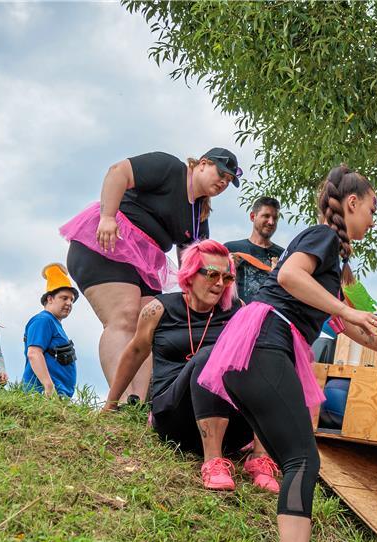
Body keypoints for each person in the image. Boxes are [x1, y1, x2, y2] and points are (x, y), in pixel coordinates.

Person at [199, 164, 377, 542]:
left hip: (258, 347)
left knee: (297, 458)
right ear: (351, 204)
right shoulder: (323, 237)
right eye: (372, 209)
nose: (374, 219)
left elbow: (337, 319)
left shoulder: (336, 259)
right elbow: (291, 277)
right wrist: (348, 312)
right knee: (303, 459)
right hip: (263, 343)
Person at [60, 147, 242, 402]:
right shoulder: (169, 168)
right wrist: (108, 217)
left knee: (150, 325)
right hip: (108, 243)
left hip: (145, 261)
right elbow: (118, 171)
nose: (223, 182)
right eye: (221, 173)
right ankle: (120, 400)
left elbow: (195, 259)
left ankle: (139, 403)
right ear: (202, 164)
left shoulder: (199, 214)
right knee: (123, 316)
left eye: (228, 180)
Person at [101, 240, 280, 493]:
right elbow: (135, 353)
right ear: (190, 274)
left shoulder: (235, 311)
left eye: (227, 277)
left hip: (230, 426)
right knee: (209, 357)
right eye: (212, 274)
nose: (220, 283)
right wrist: (110, 404)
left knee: (264, 356)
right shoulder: (159, 309)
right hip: (175, 419)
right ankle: (213, 462)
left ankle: (259, 458)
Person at [22, 264, 78, 399]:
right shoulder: (43, 320)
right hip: (42, 395)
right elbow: (34, 353)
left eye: (71, 300)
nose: (69, 303)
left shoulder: (55, 323)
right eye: (64, 298)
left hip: (57, 397)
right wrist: (49, 387)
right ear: (50, 299)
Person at [225, 196, 284, 305]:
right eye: (266, 216)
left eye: (275, 218)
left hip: (271, 316)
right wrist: (228, 267)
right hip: (238, 315)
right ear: (253, 216)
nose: (271, 222)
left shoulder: (283, 255)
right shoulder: (231, 248)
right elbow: (216, 282)